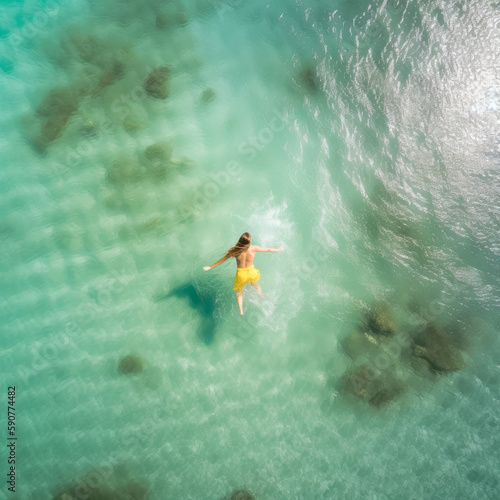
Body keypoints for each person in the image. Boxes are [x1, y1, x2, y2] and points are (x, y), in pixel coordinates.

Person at [203, 232, 283, 315]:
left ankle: (241, 310)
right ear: (249, 242)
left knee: (239, 292)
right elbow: (268, 249)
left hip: (241, 275)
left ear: (240, 241)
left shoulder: (236, 251)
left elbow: (223, 259)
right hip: (252, 272)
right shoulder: (253, 248)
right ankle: (260, 294)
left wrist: (210, 267)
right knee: (254, 283)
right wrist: (279, 249)